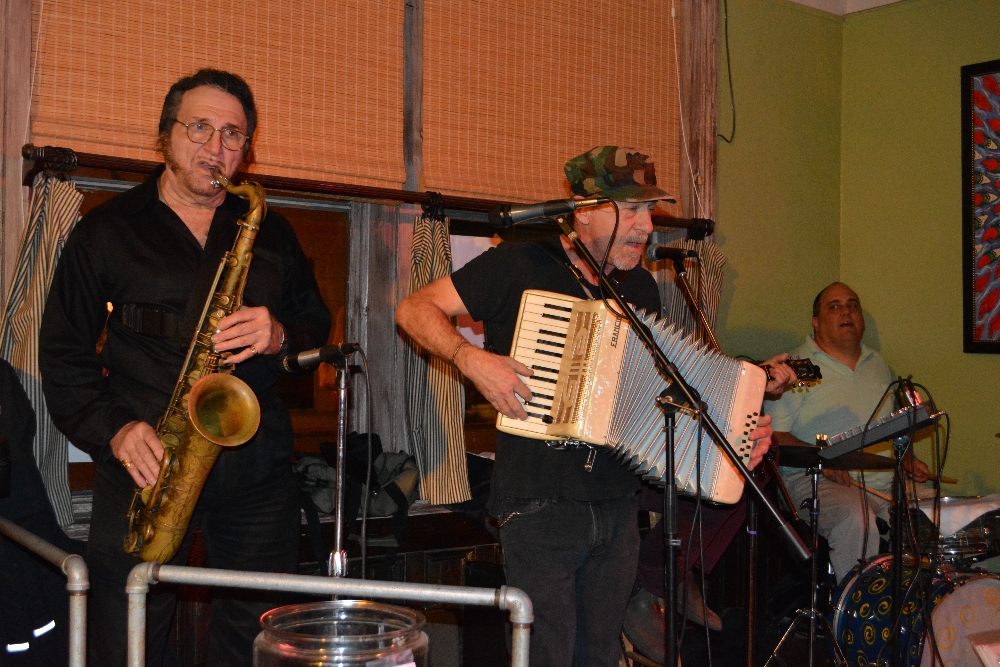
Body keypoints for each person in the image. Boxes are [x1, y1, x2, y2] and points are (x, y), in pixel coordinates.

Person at [394, 146, 785, 667]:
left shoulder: (639, 286)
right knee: (547, 656)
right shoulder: (520, 263)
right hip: (539, 505)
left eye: (650, 211)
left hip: (617, 507)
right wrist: (471, 358)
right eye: (633, 209)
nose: (647, 226)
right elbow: (414, 308)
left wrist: (734, 438)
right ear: (584, 211)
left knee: (599, 657)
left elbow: (653, 401)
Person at [38, 69, 331, 667]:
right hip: (146, 462)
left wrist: (279, 334)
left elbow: (314, 323)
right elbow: (63, 353)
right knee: (127, 635)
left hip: (254, 467)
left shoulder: (271, 230)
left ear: (246, 149)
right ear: (165, 136)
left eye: (233, 134)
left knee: (259, 633)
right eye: (199, 127)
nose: (215, 147)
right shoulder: (106, 230)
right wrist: (116, 429)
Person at [763, 282, 930, 583]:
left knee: (939, 511)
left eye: (853, 305)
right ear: (816, 322)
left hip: (883, 481)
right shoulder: (793, 369)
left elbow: (889, 428)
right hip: (815, 480)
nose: (847, 312)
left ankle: (919, 604)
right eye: (835, 307)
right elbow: (775, 437)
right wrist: (824, 460)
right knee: (856, 518)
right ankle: (857, 608)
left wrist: (905, 457)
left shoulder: (878, 364)